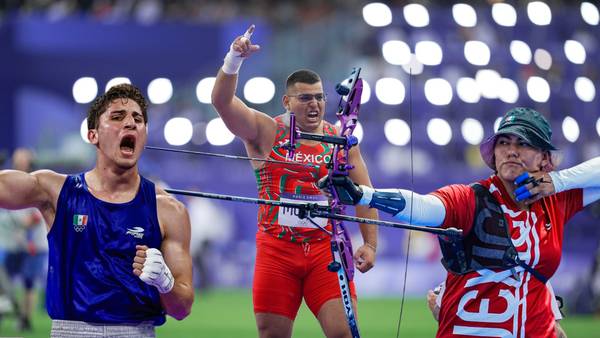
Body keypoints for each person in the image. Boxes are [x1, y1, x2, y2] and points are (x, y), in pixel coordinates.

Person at [323, 107, 600, 337]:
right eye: (504, 142)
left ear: (544, 158)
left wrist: (558, 182)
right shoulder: (471, 198)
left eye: (524, 143)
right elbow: (424, 207)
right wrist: (365, 195)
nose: (511, 150)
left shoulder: (557, 200)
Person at [211, 25, 378, 338]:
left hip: (325, 250)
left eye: (319, 97)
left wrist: (369, 243)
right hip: (277, 251)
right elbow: (222, 102)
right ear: (287, 101)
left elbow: (364, 194)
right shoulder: (265, 131)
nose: (314, 104)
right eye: (305, 98)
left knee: (343, 332)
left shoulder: (339, 140)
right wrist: (234, 59)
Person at [0, 84, 194, 337]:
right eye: (117, 117)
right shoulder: (56, 191)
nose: (130, 123)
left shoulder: (168, 210)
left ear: (144, 134)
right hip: (71, 331)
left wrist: (164, 282)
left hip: (137, 332)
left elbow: (181, 308)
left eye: (138, 119)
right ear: (93, 135)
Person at [0, 148, 48, 331]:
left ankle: (25, 319)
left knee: (29, 282)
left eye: (22, 158)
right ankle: (10, 310)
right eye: (16, 157)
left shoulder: (37, 181)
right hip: (14, 244)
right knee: (5, 280)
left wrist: (22, 226)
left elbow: (35, 217)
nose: (18, 160)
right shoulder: (9, 179)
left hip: (33, 245)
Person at [427, 281, 568, 338]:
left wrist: (435, 307)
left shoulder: (460, 273)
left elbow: (447, 319)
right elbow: (557, 332)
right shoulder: (536, 275)